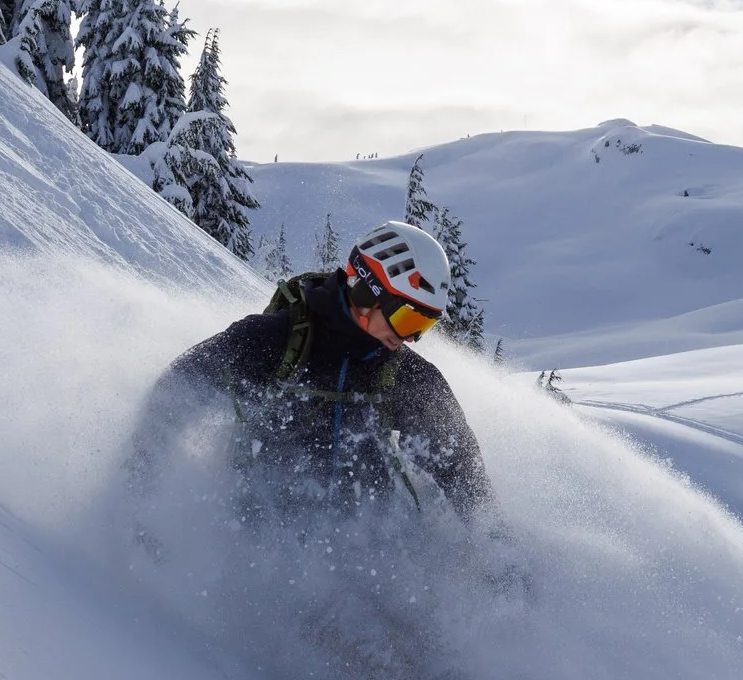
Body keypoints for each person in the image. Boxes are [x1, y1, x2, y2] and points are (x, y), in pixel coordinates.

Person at [128, 220, 489, 521]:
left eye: (423, 326)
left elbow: (461, 466)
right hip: (258, 541)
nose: (410, 338)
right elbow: (175, 393)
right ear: (366, 292)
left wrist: (495, 544)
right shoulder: (272, 340)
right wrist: (139, 489)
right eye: (407, 318)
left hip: (372, 554)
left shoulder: (407, 377)